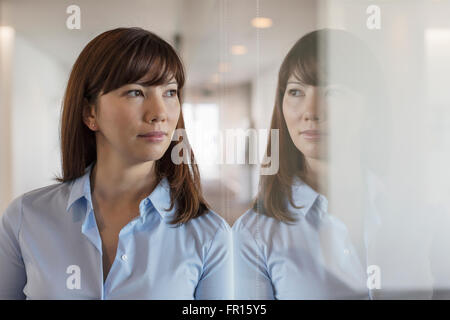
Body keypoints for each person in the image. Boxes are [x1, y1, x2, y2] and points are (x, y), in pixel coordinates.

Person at [0, 27, 231, 300]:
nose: (159, 113)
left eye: (170, 92)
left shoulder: (210, 235)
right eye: (135, 92)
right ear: (90, 112)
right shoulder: (26, 218)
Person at [232, 28, 387, 299]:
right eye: (295, 92)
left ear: (372, 109)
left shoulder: (412, 211)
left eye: (334, 93)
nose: (311, 112)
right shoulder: (253, 233)